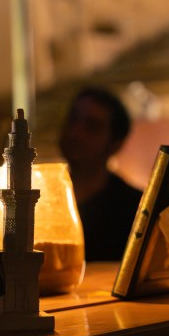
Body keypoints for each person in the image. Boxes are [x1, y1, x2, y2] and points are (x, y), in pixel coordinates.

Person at [58, 86, 143, 262]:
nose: (75, 133)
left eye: (92, 127)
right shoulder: (44, 199)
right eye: (73, 120)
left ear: (115, 143)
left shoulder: (136, 209)